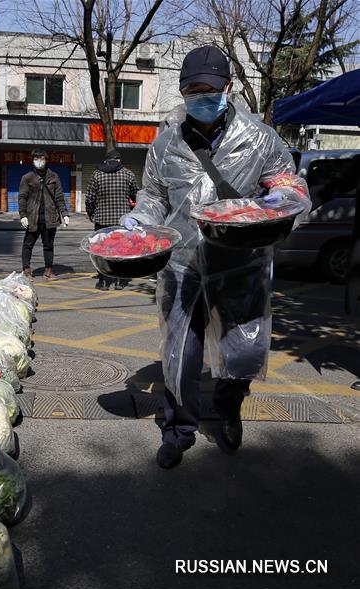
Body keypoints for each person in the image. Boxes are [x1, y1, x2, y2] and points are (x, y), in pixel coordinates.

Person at [120, 46, 310, 469]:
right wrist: (137, 220)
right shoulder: (166, 144)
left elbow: (285, 180)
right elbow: (153, 195)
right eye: (193, 90)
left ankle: (228, 410)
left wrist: (285, 196)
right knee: (180, 355)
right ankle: (179, 429)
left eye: (209, 89)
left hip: (240, 263)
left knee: (241, 352)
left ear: (229, 88)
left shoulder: (260, 138)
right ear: (183, 93)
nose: (201, 97)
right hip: (183, 265)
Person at [85, 150, 139, 290]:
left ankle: (103, 280)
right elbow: (136, 195)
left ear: (106, 160)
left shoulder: (97, 174)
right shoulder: (128, 174)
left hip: (102, 220)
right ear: (119, 160)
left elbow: (89, 198)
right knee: (122, 249)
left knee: (101, 249)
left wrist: (90, 213)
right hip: (122, 220)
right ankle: (120, 280)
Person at [18, 148, 70, 281]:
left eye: (42, 158)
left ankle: (48, 271)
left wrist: (64, 214)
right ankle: (27, 270)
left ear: (46, 160)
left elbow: (59, 196)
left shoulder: (54, 177)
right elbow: (22, 197)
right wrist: (23, 215)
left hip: (50, 217)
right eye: (36, 158)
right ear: (33, 160)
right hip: (32, 218)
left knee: (48, 245)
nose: (39, 161)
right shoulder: (27, 177)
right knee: (28, 244)